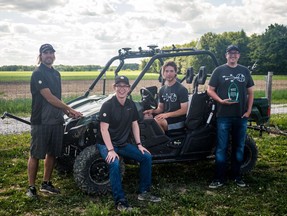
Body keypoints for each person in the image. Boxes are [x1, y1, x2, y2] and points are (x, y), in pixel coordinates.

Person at [97, 75, 161, 211]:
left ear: (129, 89)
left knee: (146, 157)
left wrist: (139, 144)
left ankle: (144, 192)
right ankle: (120, 201)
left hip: (122, 143)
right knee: (114, 163)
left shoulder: (130, 105)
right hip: (106, 144)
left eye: (124, 86)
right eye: (119, 86)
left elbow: (135, 124)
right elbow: (103, 129)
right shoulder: (108, 105)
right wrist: (110, 150)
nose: (122, 89)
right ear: (114, 87)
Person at [26, 43, 82, 198]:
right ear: (40, 56)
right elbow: (49, 97)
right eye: (46, 53)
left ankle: (46, 183)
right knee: (36, 154)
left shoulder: (56, 74)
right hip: (41, 121)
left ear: (54, 55)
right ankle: (31, 187)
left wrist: (65, 111)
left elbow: (57, 98)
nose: (49, 55)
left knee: (52, 153)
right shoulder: (38, 73)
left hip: (56, 121)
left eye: (51, 52)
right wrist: (70, 109)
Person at [207, 45, 254, 189]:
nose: (232, 55)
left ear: (239, 55)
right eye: (230, 53)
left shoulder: (244, 71)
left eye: (235, 53)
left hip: (240, 117)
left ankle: (236, 176)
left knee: (239, 147)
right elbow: (210, 90)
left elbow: (250, 92)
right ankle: (219, 178)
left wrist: (248, 111)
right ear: (225, 55)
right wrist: (220, 101)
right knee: (221, 148)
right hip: (223, 117)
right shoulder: (219, 71)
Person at [143, 61, 188, 133]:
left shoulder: (181, 89)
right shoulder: (162, 89)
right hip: (166, 117)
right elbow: (161, 108)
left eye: (171, 71)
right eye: (166, 71)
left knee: (156, 122)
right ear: (163, 73)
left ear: (175, 72)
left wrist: (167, 115)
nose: (169, 74)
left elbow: (184, 110)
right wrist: (152, 111)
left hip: (178, 120)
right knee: (146, 117)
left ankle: (163, 143)